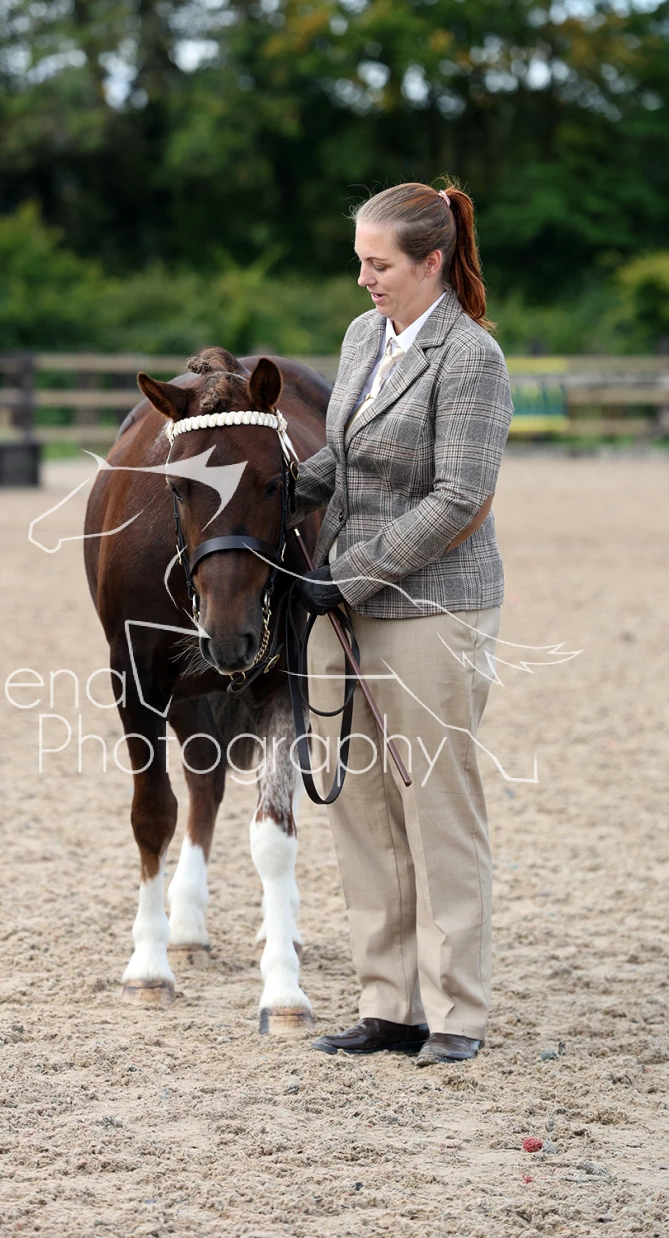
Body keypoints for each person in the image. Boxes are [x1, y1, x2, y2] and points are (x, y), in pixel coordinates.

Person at [291, 181, 513, 1066]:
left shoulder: (470, 357)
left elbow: (460, 497)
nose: (363, 279)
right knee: (360, 806)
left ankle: (456, 1009)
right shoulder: (363, 338)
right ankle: (387, 1004)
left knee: (435, 804)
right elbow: (339, 463)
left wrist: (347, 575)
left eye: (377, 264)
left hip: (431, 607)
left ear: (430, 261)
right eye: (358, 262)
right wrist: (266, 496)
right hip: (338, 609)